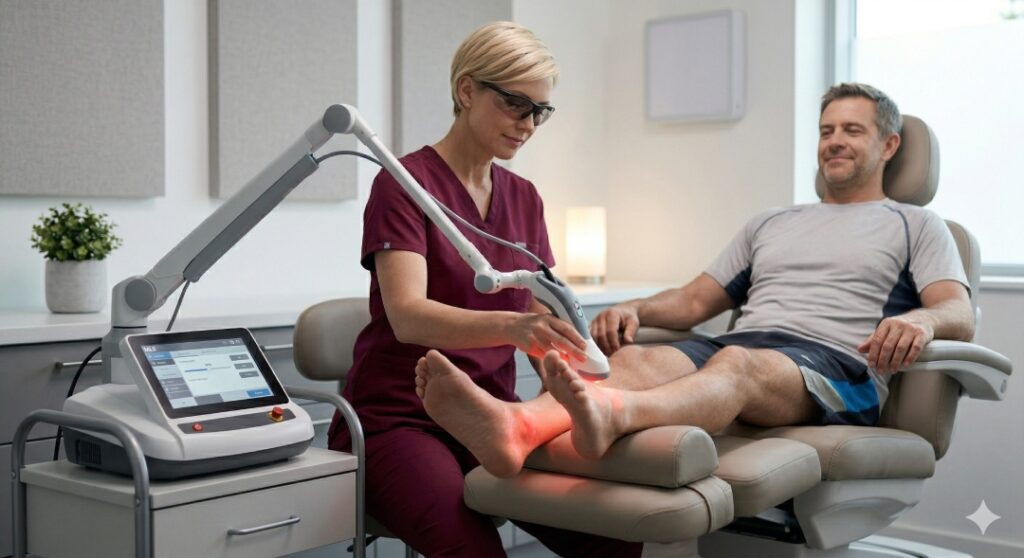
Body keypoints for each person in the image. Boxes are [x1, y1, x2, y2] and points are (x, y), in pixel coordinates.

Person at [414, 82, 976, 471]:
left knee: (736, 364)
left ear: (889, 145)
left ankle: (613, 416)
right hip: (745, 347)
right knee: (636, 360)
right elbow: (691, 302)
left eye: (852, 130)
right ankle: (514, 426)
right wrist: (634, 309)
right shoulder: (772, 222)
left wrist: (923, 323)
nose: (834, 140)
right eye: (827, 129)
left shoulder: (917, 224)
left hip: (836, 365)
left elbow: (956, 309)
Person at [326, 21, 644, 557]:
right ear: (467, 90)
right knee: (472, 550)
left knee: (614, 538)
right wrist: (515, 328)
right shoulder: (404, 185)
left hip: (493, 418)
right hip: (400, 420)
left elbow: (545, 318)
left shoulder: (524, 198)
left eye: (540, 112)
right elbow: (408, 315)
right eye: (516, 105)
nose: (528, 125)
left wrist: (571, 384)